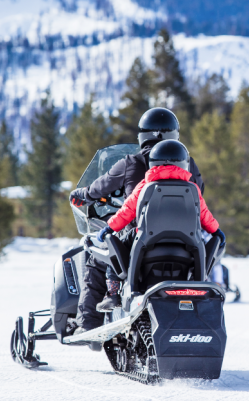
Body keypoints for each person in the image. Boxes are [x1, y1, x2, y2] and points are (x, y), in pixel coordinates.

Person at [70, 108, 205, 336]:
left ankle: (89, 322)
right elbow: (199, 197)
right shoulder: (188, 165)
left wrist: (83, 194)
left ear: (143, 135)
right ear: (174, 135)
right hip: (186, 242)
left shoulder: (131, 163)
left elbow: (99, 188)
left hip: (139, 239)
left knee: (94, 257)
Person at [95, 139, 225, 311]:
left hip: (145, 243)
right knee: (206, 243)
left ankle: (113, 293)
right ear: (184, 164)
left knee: (114, 243)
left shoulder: (145, 186)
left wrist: (110, 228)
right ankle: (198, 286)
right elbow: (205, 216)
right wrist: (216, 231)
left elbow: (126, 211)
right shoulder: (192, 188)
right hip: (187, 245)